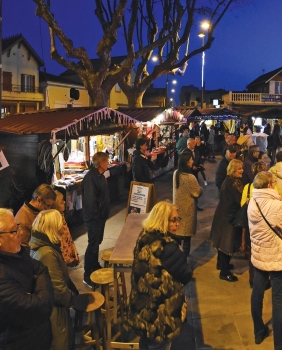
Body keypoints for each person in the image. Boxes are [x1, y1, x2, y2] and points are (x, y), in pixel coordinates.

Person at [123, 201, 193, 350]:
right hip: (161, 317)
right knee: (160, 345)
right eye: (173, 220)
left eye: (177, 219)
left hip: (143, 311)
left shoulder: (144, 238)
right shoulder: (168, 248)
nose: (177, 224)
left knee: (146, 342)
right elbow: (186, 275)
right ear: (162, 221)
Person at [0, 208, 54, 349]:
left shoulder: (14, 253)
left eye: (18, 226)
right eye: (14, 231)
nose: (20, 233)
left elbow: (40, 268)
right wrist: (37, 287)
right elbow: (40, 307)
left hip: (35, 338)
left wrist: (33, 290)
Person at [248, 172, 282, 350]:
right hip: (275, 257)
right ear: (269, 185)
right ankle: (279, 343)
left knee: (257, 294)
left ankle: (258, 331)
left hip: (259, 255)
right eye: (274, 182)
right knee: (277, 300)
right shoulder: (275, 204)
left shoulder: (252, 201)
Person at [29, 209, 78, 350]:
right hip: (55, 315)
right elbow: (58, 291)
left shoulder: (41, 247)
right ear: (52, 227)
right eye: (60, 224)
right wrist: (72, 299)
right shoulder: (48, 254)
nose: (63, 228)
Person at [82, 152, 116, 289]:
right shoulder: (91, 178)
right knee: (92, 245)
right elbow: (91, 203)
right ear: (101, 163)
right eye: (107, 161)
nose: (108, 163)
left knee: (96, 243)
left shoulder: (99, 175)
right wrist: (97, 218)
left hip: (100, 217)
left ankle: (94, 265)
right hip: (94, 219)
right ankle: (87, 275)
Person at [209, 159, 244, 282]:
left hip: (222, 215)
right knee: (227, 244)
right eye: (239, 169)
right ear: (233, 170)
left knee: (221, 244)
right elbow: (241, 200)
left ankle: (221, 264)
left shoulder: (229, 180)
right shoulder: (234, 183)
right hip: (229, 218)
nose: (242, 171)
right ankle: (224, 272)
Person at [173, 150, 202, 256]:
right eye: (191, 160)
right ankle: (184, 262)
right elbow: (197, 192)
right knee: (186, 239)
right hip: (188, 211)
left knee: (177, 238)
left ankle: (176, 261)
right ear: (187, 162)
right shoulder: (190, 177)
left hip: (177, 210)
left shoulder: (176, 174)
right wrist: (201, 189)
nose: (192, 161)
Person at [15, 184, 56, 249]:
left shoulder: (38, 211)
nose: (49, 209)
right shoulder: (23, 219)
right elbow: (23, 247)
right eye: (48, 206)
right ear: (39, 200)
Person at [53, 190, 79, 267]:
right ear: (55, 205)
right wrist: (68, 257)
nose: (64, 202)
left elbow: (68, 235)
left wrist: (73, 250)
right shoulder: (55, 220)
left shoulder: (61, 215)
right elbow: (61, 241)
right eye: (61, 202)